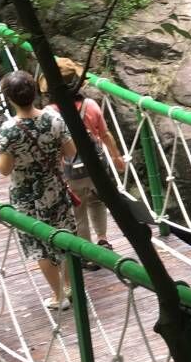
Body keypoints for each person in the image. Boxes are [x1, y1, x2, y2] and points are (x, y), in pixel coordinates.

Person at [0, 69, 77, 310]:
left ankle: (59, 296)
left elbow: (5, 168)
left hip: (26, 197)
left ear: (9, 98)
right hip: (55, 188)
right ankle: (70, 286)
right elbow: (71, 152)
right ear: (35, 91)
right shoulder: (53, 118)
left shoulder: (9, 130)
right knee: (64, 237)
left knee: (39, 246)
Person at [40, 57, 126, 258]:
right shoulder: (91, 105)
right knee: (98, 202)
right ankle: (103, 239)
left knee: (78, 210)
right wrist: (116, 157)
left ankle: (87, 252)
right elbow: (105, 134)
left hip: (70, 170)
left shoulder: (48, 114)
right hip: (96, 166)